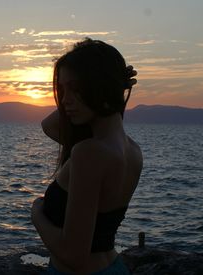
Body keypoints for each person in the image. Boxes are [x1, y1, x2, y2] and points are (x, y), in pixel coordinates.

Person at [31, 38, 142, 275]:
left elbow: (74, 256)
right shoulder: (132, 151)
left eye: (76, 88)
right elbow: (49, 126)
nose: (65, 100)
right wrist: (112, 87)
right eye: (62, 90)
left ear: (99, 86)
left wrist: (36, 212)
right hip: (113, 267)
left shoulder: (89, 153)